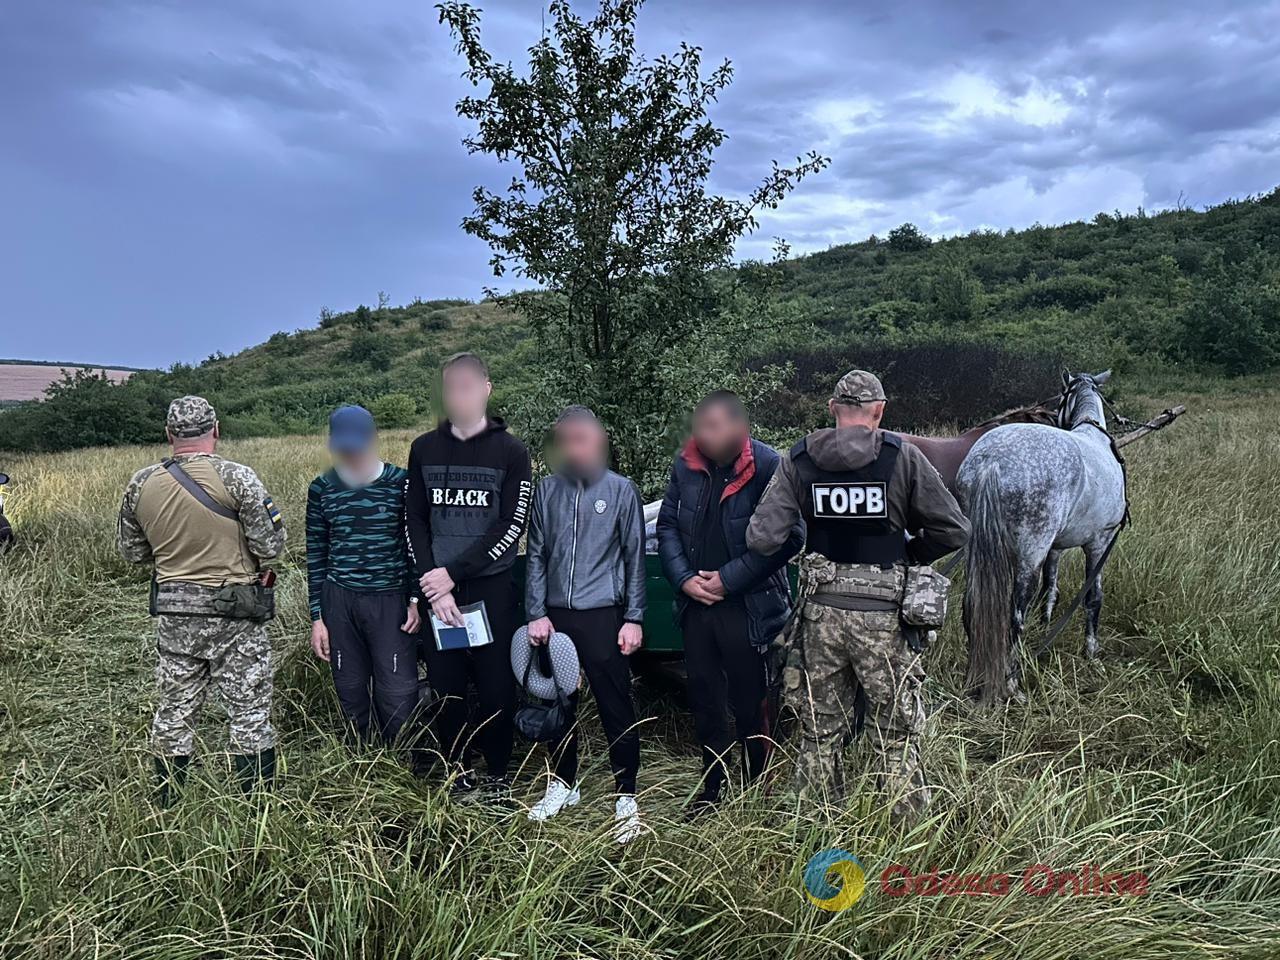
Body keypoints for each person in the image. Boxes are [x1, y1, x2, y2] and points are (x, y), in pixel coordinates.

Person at [746, 370, 968, 818]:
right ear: (880, 411)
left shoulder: (799, 459)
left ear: (833, 410)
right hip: (885, 618)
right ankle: (908, 842)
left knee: (817, 732)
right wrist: (910, 552)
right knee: (898, 734)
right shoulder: (901, 457)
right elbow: (955, 529)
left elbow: (761, 539)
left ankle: (814, 830)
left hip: (820, 616)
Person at [116, 396, 287, 804]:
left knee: (174, 708)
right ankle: (257, 804)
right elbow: (271, 545)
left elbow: (132, 553)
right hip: (236, 612)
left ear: (169, 434)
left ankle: (167, 801)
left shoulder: (141, 483)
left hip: (175, 612)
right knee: (248, 709)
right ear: (216, 429)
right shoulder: (238, 477)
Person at [656, 391, 803, 817]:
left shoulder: (769, 466)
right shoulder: (686, 464)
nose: (702, 436)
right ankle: (712, 788)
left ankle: (758, 788)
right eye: (699, 427)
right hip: (697, 607)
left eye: (713, 427)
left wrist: (728, 580)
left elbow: (790, 537)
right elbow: (666, 525)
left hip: (748, 607)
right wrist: (684, 579)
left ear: (738, 427)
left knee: (751, 701)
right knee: (704, 698)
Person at [404, 352, 532, 804]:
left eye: (466, 386)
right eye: (449, 387)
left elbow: (511, 526)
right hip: (440, 598)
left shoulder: (512, 453)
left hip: (489, 591)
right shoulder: (424, 448)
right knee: (448, 683)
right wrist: (429, 584)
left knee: (496, 683)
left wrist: (450, 576)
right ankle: (457, 770)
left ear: (485, 389)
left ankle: (498, 773)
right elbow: (414, 520)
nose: (457, 396)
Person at [524, 406, 648, 843]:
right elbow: (536, 553)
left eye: (580, 439)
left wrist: (634, 618)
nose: (572, 448)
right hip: (556, 616)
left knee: (616, 704)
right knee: (557, 705)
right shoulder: (546, 490)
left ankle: (626, 796)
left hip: (604, 614)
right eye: (564, 440)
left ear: (598, 440)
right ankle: (563, 783)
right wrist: (535, 612)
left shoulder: (620, 490)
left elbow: (635, 559)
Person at [307, 405, 422, 748]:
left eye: (358, 444)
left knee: (398, 690)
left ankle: (403, 759)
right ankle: (360, 757)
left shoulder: (402, 483)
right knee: (351, 687)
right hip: (340, 599)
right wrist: (317, 618)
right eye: (344, 446)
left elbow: (417, 545)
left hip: (391, 600)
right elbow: (316, 554)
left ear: (374, 438)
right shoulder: (322, 488)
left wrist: (416, 598)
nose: (352, 453)